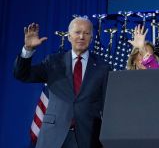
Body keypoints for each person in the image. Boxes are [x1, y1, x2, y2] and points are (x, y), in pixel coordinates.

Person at [13, 17, 110, 148]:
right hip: (54, 136)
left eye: (86, 33)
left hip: (89, 137)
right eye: (77, 32)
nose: (81, 36)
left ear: (91, 38)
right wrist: (28, 49)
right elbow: (22, 75)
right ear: (69, 36)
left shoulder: (102, 67)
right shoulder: (53, 62)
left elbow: (108, 105)